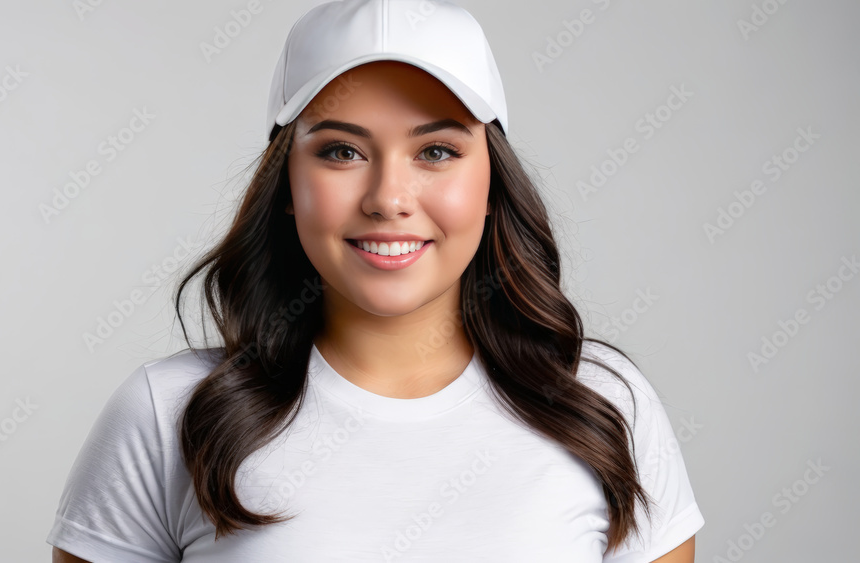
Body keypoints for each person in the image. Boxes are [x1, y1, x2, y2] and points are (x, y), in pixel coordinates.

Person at [47, 0, 704, 561]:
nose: (390, 197)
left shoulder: (605, 407)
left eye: (437, 151)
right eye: (341, 151)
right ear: (287, 186)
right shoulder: (166, 415)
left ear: (491, 184)